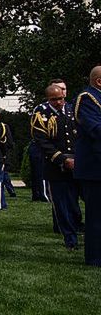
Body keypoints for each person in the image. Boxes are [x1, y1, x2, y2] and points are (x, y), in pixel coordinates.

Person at [31, 83, 82, 250]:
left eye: (61, 98)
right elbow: (41, 141)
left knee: (75, 204)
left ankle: (78, 229)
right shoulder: (41, 114)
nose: (59, 102)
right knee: (62, 205)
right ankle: (70, 239)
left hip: (77, 164)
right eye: (54, 100)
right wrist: (60, 159)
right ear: (48, 99)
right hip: (56, 167)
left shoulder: (71, 110)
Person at [74, 66, 101, 266]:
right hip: (95, 167)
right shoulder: (87, 99)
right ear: (98, 81)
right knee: (96, 216)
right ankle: (95, 257)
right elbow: (95, 130)